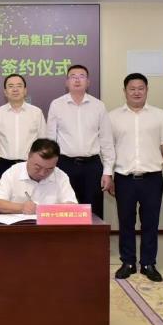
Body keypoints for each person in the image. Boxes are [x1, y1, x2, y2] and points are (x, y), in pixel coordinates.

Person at [109, 73, 163, 282]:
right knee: (126, 222)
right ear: (124, 91)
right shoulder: (112, 117)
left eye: (141, 88)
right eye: (132, 88)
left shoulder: (160, 116)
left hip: (152, 178)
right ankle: (128, 262)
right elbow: (108, 150)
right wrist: (109, 175)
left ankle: (148, 263)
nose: (136, 92)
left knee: (150, 223)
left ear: (147, 90)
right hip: (124, 178)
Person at [46, 64, 115, 219]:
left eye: (81, 76)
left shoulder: (99, 106)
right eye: (73, 76)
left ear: (88, 82)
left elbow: (106, 141)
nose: (77, 80)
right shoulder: (56, 105)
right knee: (66, 210)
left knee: (93, 211)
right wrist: (50, 167)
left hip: (92, 166)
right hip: (65, 165)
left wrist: (108, 172)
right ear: (67, 82)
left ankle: (93, 236)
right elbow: (50, 139)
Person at [0, 74, 47, 187]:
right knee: (5, 198)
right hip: (5, 166)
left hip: (30, 165)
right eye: (11, 86)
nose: (15, 89)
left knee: (31, 197)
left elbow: (43, 143)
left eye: (19, 86)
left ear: (25, 90)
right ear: (5, 92)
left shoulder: (36, 113)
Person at [0, 139, 77, 214]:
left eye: (49, 169)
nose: (42, 173)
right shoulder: (13, 173)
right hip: (19, 227)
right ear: (28, 156)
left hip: (49, 227)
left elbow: (73, 207)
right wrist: (21, 207)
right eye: (38, 167)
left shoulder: (61, 176)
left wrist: (48, 209)